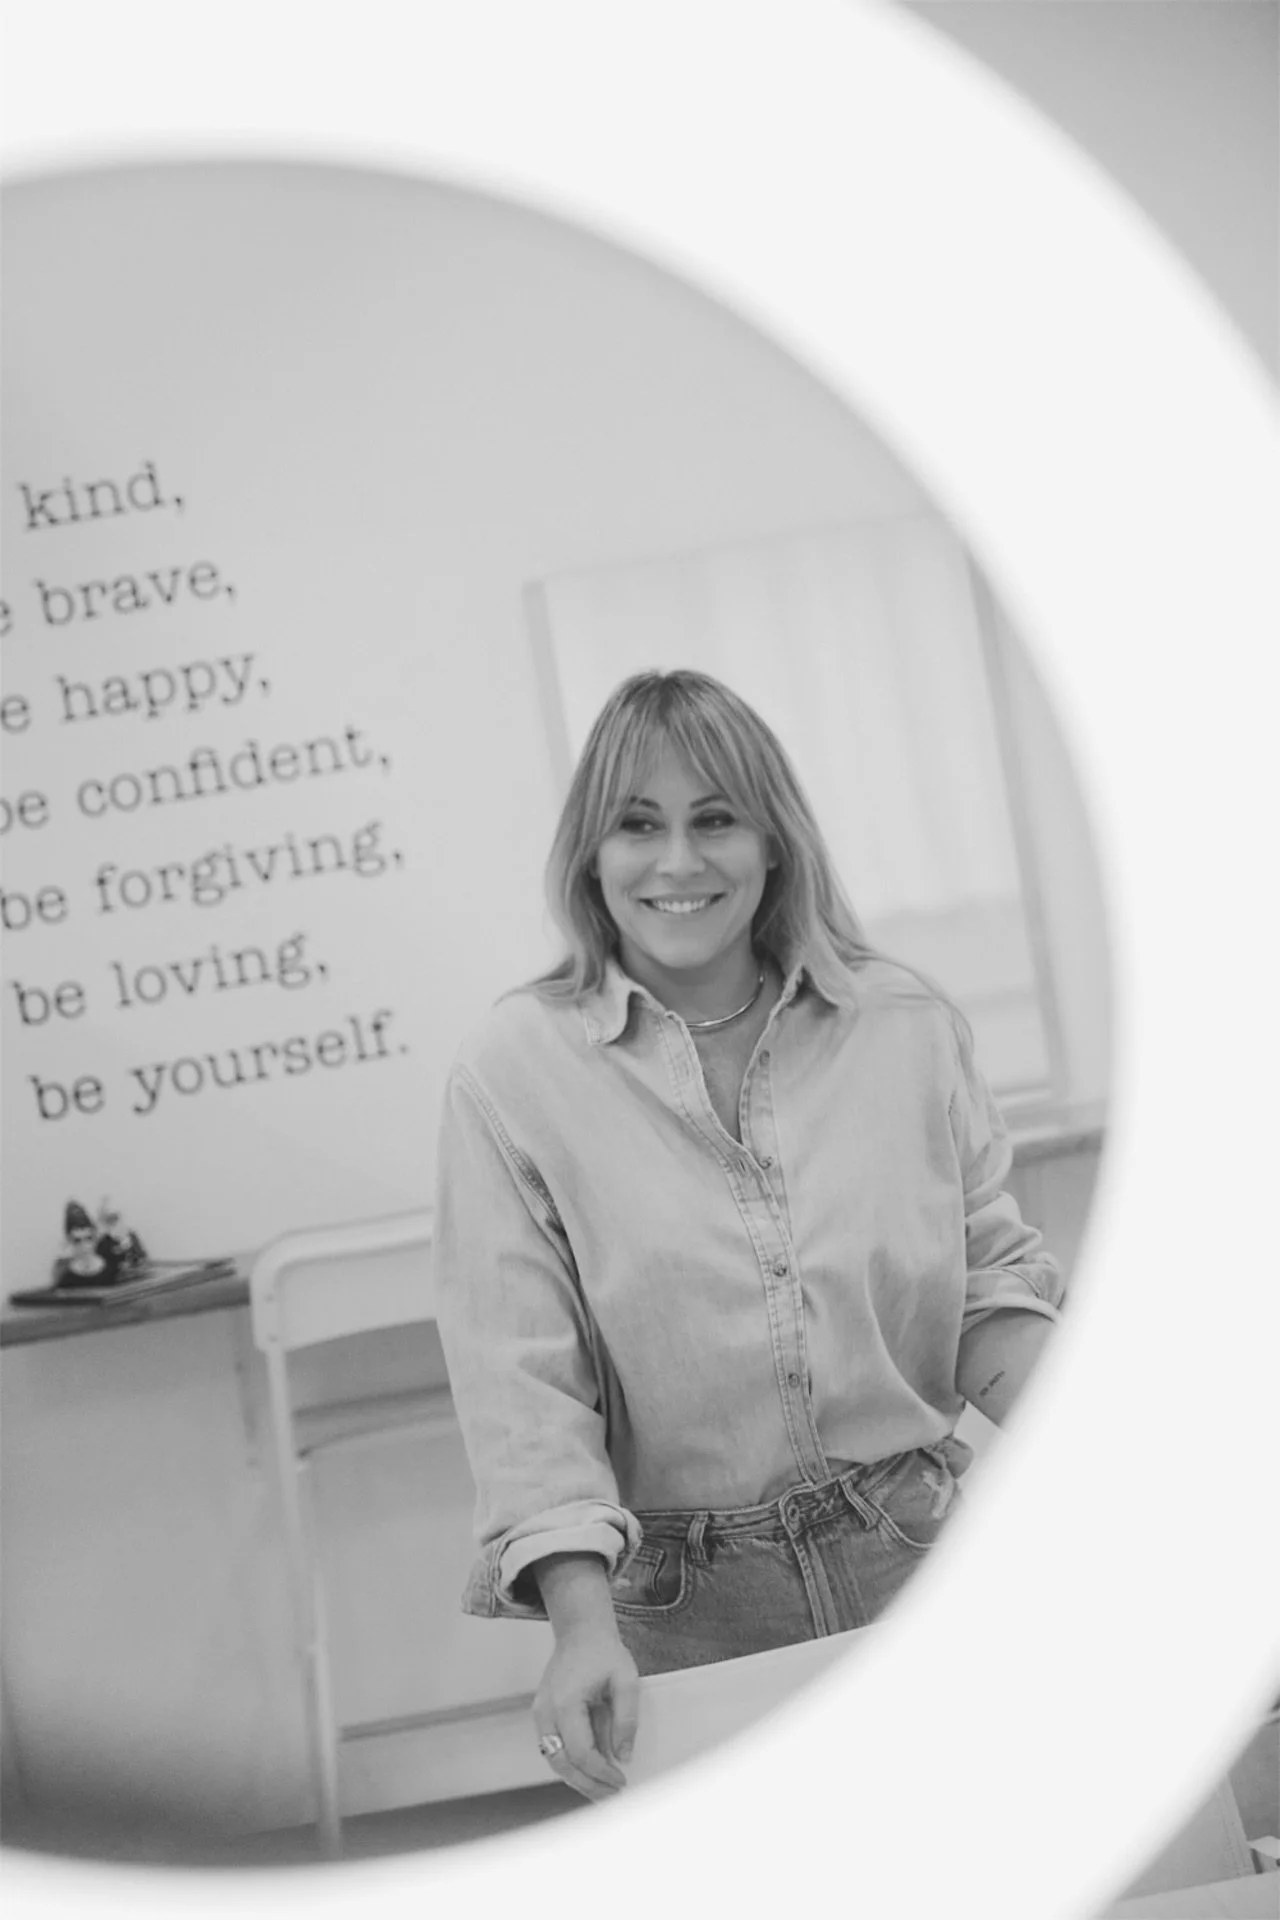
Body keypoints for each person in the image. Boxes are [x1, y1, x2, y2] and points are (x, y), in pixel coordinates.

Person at [432, 668, 1063, 1804]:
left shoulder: (901, 1026)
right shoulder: (513, 1070)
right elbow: (519, 1385)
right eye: (638, 825)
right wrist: (578, 1624)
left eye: (714, 819)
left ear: (774, 842)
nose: (677, 863)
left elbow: (984, 1293)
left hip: (922, 1555)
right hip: (681, 1618)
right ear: (590, 854)